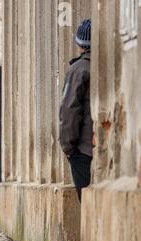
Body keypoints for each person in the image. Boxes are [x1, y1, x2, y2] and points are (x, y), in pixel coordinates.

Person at [60, 19, 93, 202]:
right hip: (97, 147)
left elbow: (69, 110)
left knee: (88, 204)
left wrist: (68, 147)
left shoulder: (78, 69)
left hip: (82, 150)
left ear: (80, 44)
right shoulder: (103, 67)